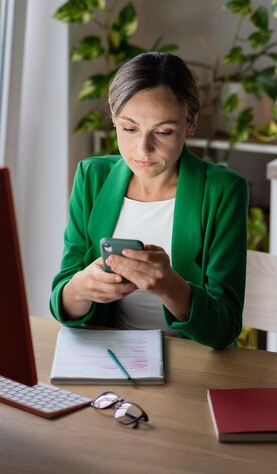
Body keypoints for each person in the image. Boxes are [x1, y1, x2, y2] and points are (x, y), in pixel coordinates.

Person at [49, 52, 248, 349]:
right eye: (129, 128)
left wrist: (169, 285)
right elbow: (63, 302)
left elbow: (224, 328)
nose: (143, 149)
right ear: (114, 119)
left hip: (191, 362)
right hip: (110, 357)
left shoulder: (223, 191)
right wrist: (79, 289)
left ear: (190, 123)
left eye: (164, 131)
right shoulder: (92, 176)